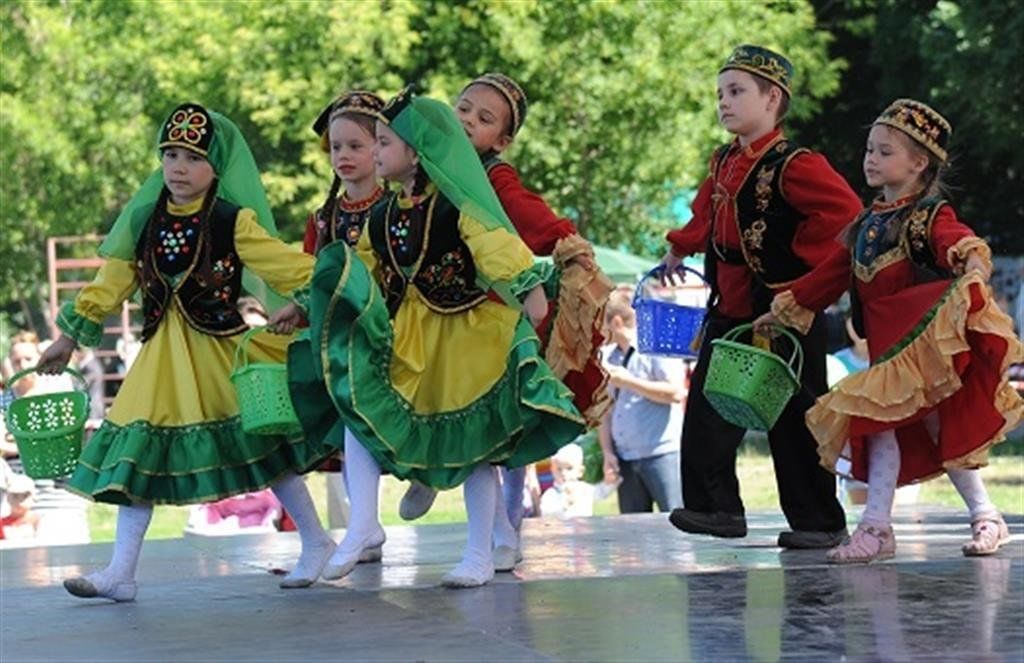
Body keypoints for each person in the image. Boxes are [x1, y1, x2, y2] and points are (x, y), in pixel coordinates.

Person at [36, 102, 334, 601]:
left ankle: (317, 540)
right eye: (169, 154)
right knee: (136, 455)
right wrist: (69, 336)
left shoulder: (231, 222)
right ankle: (120, 573)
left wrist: (317, 292)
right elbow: (112, 280)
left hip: (220, 356)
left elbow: (287, 267)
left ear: (216, 166)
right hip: (160, 361)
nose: (177, 166)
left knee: (265, 449)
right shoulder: (143, 221)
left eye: (192, 157)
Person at [288, 86, 585, 587]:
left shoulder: (453, 205)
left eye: (383, 143)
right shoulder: (382, 215)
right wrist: (308, 299)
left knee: (473, 448)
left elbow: (495, 244)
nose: (375, 152)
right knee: (359, 413)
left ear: (415, 150)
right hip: (410, 338)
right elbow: (357, 266)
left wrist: (530, 291)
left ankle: (478, 553)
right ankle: (362, 524)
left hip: (465, 336)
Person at [756, 99, 1023, 562]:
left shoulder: (927, 217)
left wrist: (972, 259)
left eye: (884, 152)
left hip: (924, 349)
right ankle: (885, 527)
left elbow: (954, 239)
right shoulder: (864, 224)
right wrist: (786, 307)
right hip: (887, 352)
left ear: (919, 163)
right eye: (869, 150)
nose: (870, 159)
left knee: (940, 430)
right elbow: (829, 276)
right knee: (888, 429)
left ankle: (972, 518)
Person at [661, 45, 859, 548]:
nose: (723, 103)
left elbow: (848, 216)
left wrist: (802, 279)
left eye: (736, 92)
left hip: (783, 311)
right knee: (708, 404)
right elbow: (706, 212)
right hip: (731, 308)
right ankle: (717, 508)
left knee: (795, 418)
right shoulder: (725, 159)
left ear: (773, 98)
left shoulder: (795, 164)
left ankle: (819, 522)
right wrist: (680, 248)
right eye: (720, 94)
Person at [399, 72, 613, 532]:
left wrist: (566, 243)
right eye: (463, 108)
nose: (468, 120)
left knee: (503, 424)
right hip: (428, 306)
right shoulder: (423, 167)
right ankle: (428, 470)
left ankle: (507, 528)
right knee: (419, 386)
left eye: (485, 118)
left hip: (486, 313)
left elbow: (527, 212)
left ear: (504, 139)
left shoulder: (494, 175)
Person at [300, 91, 386, 534]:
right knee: (348, 428)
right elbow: (310, 275)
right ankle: (365, 525)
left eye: (356, 145)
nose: (344, 156)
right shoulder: (322, 218)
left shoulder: (396, 207)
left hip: (389, 332)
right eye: (336, 147)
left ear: (382, 146)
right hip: (339, 339)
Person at [598, 290, 686, 513]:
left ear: (616, 322)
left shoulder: (657, 347)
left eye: (601, 323)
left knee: (675, 524)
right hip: (624, 458)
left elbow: (676, 392)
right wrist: (607, 452)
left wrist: (629, 382)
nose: (599, 331)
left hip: (662, 455)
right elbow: (604, 411)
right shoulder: (607, 356)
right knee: (633, 535)